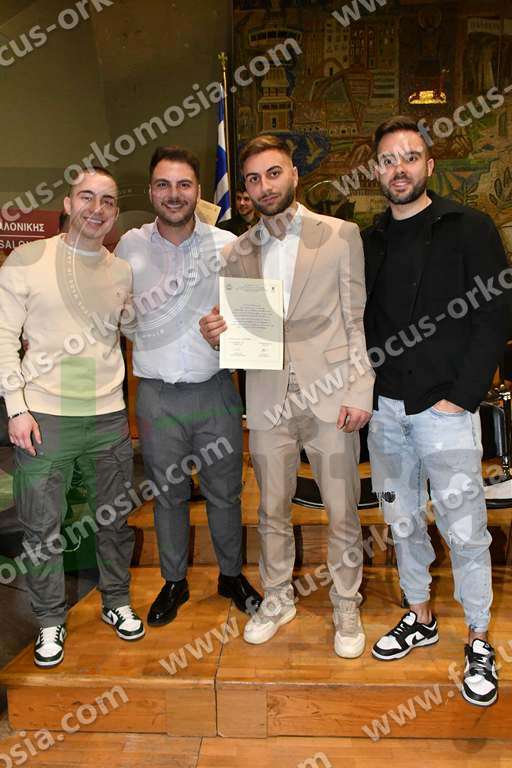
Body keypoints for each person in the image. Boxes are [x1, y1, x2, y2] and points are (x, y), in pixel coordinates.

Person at [200, 134, 374, 656]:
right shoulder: (235, 251)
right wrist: (216, 333)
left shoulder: (340, 235)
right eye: (253, 179)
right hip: (267, 400)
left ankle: (346, 603)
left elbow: (355, 320)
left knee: (342, 510)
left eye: (273, 173)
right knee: (271, 510)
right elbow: (240, 328)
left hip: (331, 396)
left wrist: (359, 388)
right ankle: (277, 596)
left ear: (294, 174)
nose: (263, 186)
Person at [363, 115, 508, 707]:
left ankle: (479, 637)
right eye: (388, 159)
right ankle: (419, 614)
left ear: (429, 164)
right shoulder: (370, 238)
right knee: (401, 521)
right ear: (376, 171)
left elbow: (495, 314)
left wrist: (464, 394)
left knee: (465, 529)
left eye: (410, 157)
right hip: (386, 410)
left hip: (446, 408)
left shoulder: (468, 227)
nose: (399, 168)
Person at [0, 167, 145, 669]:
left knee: (114, 520)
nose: (97, 208)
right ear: (67, 203)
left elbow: (126, 329)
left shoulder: (120, 270)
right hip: (44, 416)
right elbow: (3, 337)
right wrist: (16, 408)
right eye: (87, 197)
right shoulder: (28, 260)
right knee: (42, 528)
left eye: (108, 200)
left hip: (107, 415)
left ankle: (116, 601)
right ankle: (48, 620)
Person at [116, 146, 261, 627]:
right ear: (151, 191)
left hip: (215, 390)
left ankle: (230, 575)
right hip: (157, 397)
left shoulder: (228, 245)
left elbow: (255, 321)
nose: (173, 194)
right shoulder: (130, 247)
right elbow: (117, 313)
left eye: (183, 185)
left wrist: (230, 334)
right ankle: (174, 581)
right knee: (168, 494)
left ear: (199, 191)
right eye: (164, 184)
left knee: (225, 493)